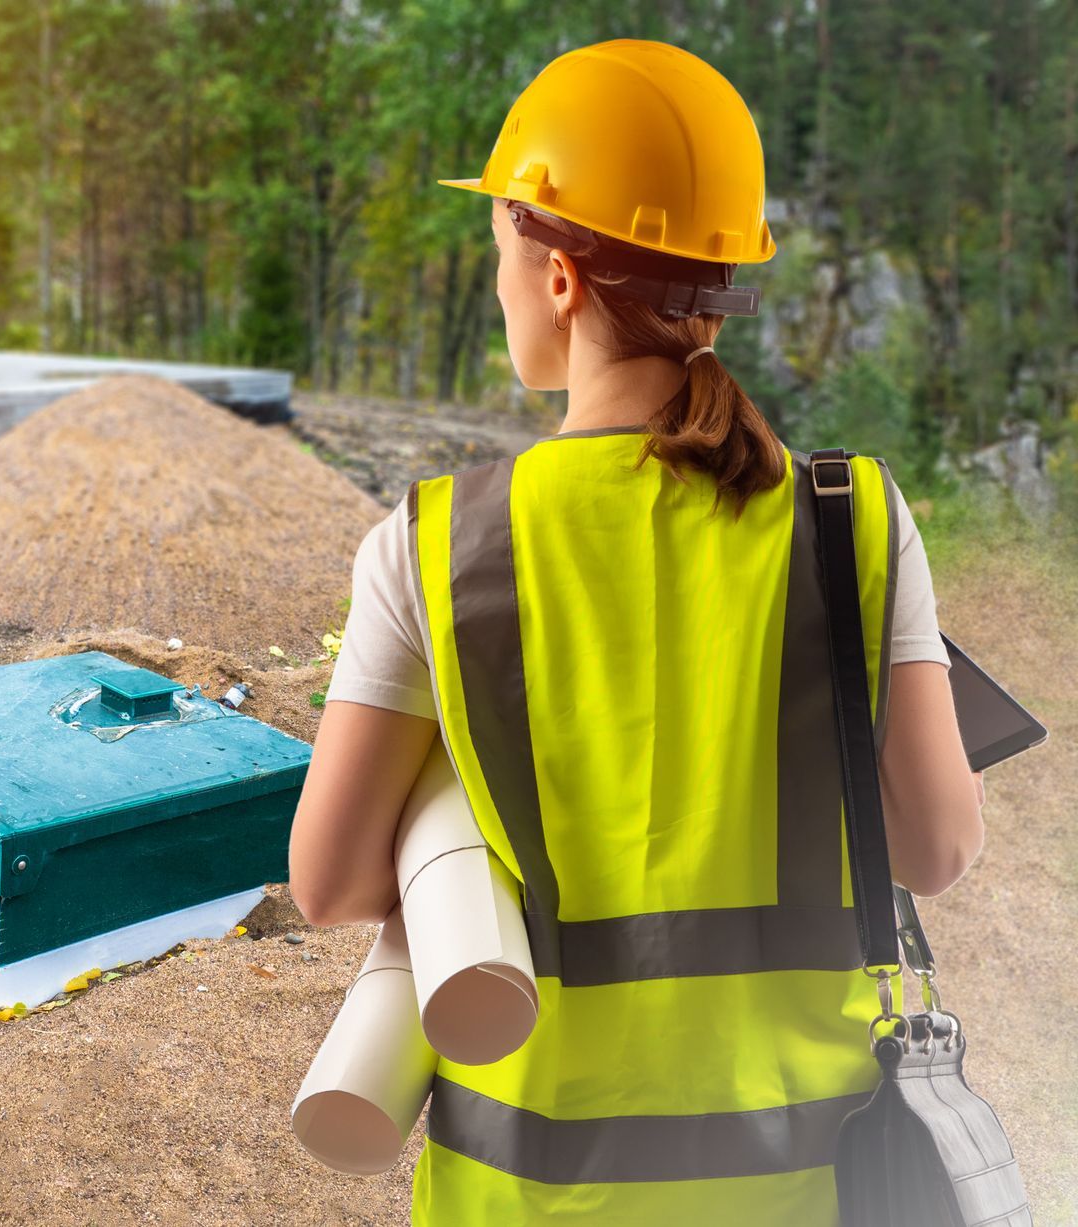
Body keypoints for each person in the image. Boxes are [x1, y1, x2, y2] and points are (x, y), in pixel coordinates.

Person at [287, 38, 985, 1225]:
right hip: (808, 1191)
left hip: (531, 1200)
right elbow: (937, 850)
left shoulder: (436, 543)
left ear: (558, 276)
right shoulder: (849, 518)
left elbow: (332, 882)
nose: (499, 280)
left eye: (501, 247)